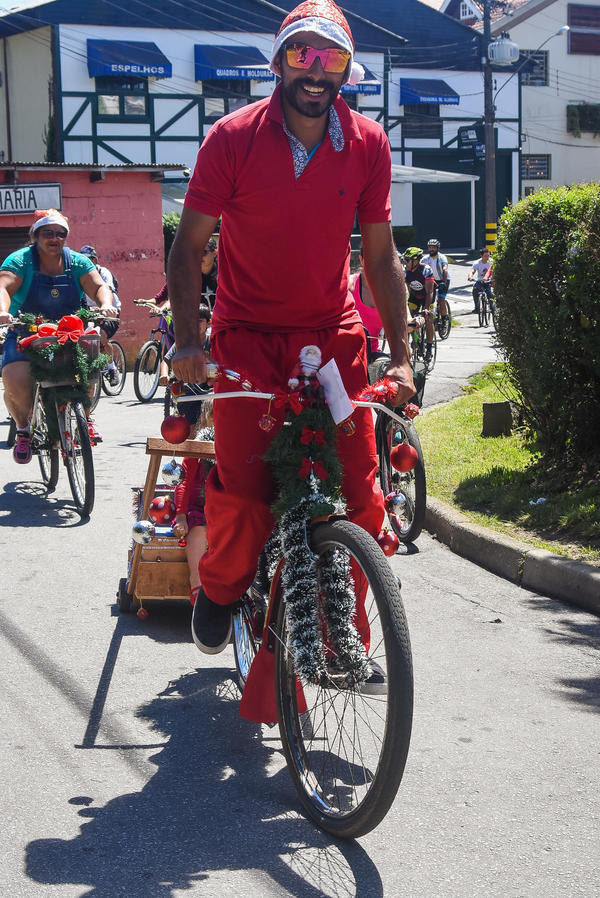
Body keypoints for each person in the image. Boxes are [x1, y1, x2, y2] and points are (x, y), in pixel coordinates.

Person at [168, 0, 414, 687]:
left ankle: (345, 640)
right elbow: (188, 249)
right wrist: (189, 340)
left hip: (333, 341)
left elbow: (382, 254)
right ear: (278, 63)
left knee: (362, 500)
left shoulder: (368, 142)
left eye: (329, 56)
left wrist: (398, 351)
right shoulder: (231, 137)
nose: (315, 69)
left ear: (347, 70)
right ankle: (218, 590)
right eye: (301, 54)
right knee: (244, 494)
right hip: (246, 338)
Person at [0, 209, 117, 463]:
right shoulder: (20, 261)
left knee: (88, 366)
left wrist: (105, 303)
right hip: (25, 329)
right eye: (48, 233)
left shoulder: (77, 262)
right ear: (35, 235)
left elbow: (98, 286)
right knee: (16, 376)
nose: (55, 238)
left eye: (60, 233)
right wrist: (2, 311)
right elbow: (4, 286)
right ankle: (22, 428)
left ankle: (84, 415)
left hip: (69, 330)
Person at [172, 397, 214, 605]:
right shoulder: (197, 448)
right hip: (199, 508)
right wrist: (180, 515)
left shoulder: (234, 445)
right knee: (198, 530)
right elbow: (184, 481)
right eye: (214, 418)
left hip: (224, 508)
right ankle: (196, 585)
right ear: (205, 421)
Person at [80, 245, 121, 387]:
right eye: (84, 260)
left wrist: (105, 306)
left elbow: (107, 288)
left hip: (109, 311)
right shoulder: (78, 274)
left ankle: (112, 368)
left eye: (90, 259)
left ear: (95, 260)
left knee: (101, 335)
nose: (87, 263)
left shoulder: (103, 272)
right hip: (88, 311)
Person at [349, 244, 384, 354]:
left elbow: (405, 317)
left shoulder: (389, 289)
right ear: (361, 259)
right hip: (349, 353)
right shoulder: (349, 284)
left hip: (373, 355)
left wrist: (414, 321)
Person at [403, 246, 435, 362]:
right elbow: (409, 289)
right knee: (410, 318)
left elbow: (429, 291)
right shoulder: (405, 271)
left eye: (407, 260)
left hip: (427, 297)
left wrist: (426, 309)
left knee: (429, 317)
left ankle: (429, 347)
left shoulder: (426, 270)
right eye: (404, 260)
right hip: (415, 297)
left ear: (416, 261)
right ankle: (415, 339)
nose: (405, 262)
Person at [421, 238, 449, 323]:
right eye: (430, 247)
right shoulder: (425, 258)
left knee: (441, 299)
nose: (431, 249)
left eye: (433, 247)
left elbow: (445, 269)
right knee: (429, 299)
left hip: (443, 279)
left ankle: (444, 318)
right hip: (431, 280)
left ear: (438, 248)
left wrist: (443, 283)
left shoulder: (441, 257)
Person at [468, 248, 493, 313]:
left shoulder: (491, 262)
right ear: (481, 256)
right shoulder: (477, 263)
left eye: (488, 256)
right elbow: (472, 270)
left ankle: (492, 307)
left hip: (489, 281)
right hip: (480, 281)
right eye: (485, 256)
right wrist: (470, 276)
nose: (487, 258)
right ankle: (477, 307)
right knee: (475, 290)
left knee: (490, 293)